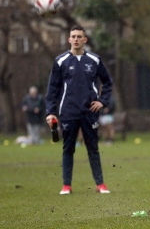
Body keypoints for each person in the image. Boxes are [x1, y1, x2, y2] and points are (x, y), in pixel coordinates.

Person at [45, 25, 113, 195]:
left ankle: (100, 184)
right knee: (68, 148)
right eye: (73, 36)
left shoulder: (94, 60)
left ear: (85, 40)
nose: (76, 39)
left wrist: (102, 101)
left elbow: (108, 82)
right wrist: (51, 112)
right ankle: (66, 185)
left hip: (90, 111)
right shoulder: (60, 61)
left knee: (93, 148)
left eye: (79, 36)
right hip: (68, 111)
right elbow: (52, 88)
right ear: (69, 39)